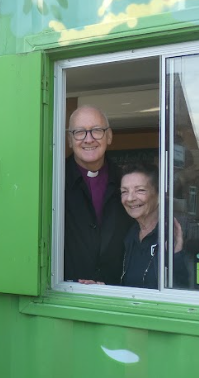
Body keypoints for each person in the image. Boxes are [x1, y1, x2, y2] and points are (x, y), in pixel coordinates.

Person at [64, 105, 134, 285]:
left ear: (109, 136)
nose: (89, 139)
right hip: (65, 292)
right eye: (79, 132)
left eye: (96, 130)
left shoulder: (125, 183)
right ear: (69, 140)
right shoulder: (54, 181)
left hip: (115, 292)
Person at [119, 162, 189, 288]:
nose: (129, 198)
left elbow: (187, 289)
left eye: (140, 190)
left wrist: (176, 257)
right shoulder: (128, 235)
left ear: (159, 195)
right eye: (124, 191)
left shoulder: (173, 234)